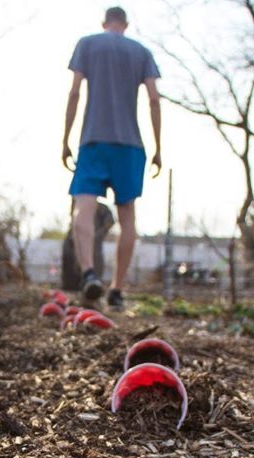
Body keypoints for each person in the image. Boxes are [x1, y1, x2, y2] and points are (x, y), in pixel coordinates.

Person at [62, 6, 161, 310]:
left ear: (104, 23)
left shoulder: (88, 44)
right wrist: (158, 148)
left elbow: (74, 93)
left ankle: (89, 273)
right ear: (125, 25)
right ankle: (117, 289)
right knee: (127, 216)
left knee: (84, 207)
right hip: (130, 145)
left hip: (93, 140)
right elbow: (154, 99)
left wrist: (65, 140)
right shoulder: (141, 52)